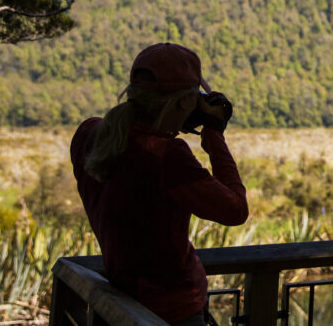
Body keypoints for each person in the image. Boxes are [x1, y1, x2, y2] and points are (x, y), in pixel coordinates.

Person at [71, 43, 248, 326]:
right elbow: (236, 210)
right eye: (195, 97)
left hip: (120, 304)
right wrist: (214, 134)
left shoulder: (89, 134)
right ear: (183, 102)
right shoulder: (166, 154)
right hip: (173, 312)